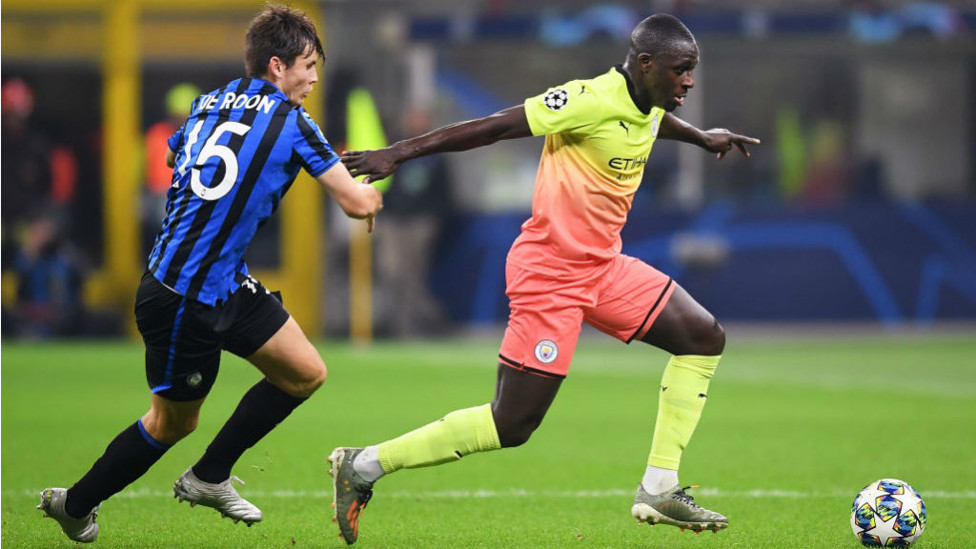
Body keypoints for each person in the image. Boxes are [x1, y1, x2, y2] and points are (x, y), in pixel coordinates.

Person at [330, 14, 759, 545]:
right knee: (511, 425)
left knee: (702, 337)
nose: (689, 81)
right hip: (549, 273)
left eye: (692, 70)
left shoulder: (647, 102)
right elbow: (494, 126)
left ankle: (659, 487)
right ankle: (362, 465)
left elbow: (651, 122)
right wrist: (399, 151)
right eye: (682, 70)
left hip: (603, 267)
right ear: (646, 64)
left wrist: (701, 138)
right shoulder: (586, 99)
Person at [37, 4, 382, 543]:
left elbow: (175, 160)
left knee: (303, 372)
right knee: (171, 423)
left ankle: (209, 476)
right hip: (182, 298)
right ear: (277, 66)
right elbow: (356, 204)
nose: (314, 78)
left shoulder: (207, 103)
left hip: (222, 281)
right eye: (308, 66)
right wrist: (374, 191)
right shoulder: (292, 122)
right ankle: (74, 504)